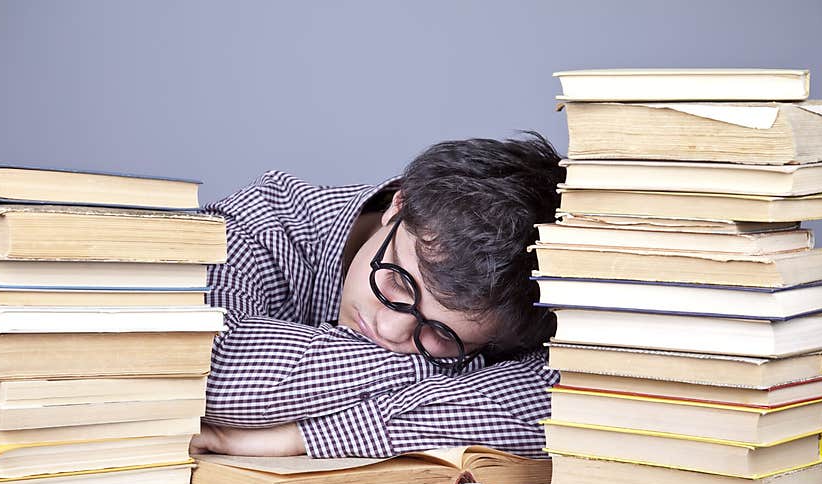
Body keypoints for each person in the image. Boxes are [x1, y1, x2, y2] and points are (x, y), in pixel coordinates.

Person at [189, 131, 564, 458]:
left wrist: (309, 435)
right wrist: (463, 373)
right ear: (397, 206)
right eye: (398, 282)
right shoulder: (262, 221)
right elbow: (207, 368)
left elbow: (572, 402)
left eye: (442, 334)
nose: (389, 329)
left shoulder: (524, 305)